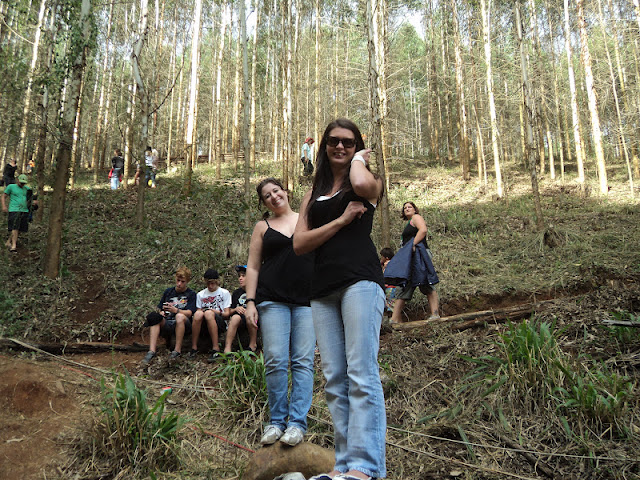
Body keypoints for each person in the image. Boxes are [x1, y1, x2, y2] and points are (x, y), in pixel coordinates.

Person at [293, 118, 386, 480]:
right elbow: (300, 244)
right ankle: (344, 465)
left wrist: (360, 160)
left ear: (357, 147)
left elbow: (361, 184)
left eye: (349, 142)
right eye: (334, 141)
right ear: (324, 146)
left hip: (360, 281)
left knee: (361, 373)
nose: (340, 146)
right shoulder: (314, 192)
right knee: (334, 380)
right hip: (322, 289)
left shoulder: (367, 182)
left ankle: (366, 466)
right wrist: (341, 220)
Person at [245, 177, 315, 447]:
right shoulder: (262, 227)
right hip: (272, 299)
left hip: (307, 300)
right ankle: (276, 422)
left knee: (303, 361)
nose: (274, 197)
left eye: (276, 191)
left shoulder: (307, 220)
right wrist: (250, 302)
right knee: (275, 360)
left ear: (285, 191)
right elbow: (253, 267)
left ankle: (297, 424)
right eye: (267, 196)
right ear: (264, 203)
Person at [389, 201, 440, 324]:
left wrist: (413, 244)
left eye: (409, 207)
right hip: (411, 256)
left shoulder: (416, 217)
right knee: (405, 283)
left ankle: (435, 314)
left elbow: (423, 230)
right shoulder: (409, 223)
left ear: (415, 209)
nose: (407, 209)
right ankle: (394, 319)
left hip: (420, 255)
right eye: (405, 207)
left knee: (426, 281)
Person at [141, 267, 196, 365]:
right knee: (155, 318)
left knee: (179, 316)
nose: (179, 284)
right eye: (178, 280)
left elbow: (190, 313)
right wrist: (162, 312)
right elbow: (160, 307)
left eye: (182, 282)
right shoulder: (168, 292)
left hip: (183, 323)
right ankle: (152, 351)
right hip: (168, 321)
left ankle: (177, 350)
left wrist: (176, 310)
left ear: (187, 281)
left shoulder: (191, 294)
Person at [189, 268, 231, 362]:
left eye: (212, 283)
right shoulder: (200, 294)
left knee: (208, 313)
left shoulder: (224, 293)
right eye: (208, 283)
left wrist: (215, 312)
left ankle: (216, 348)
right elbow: (198, 311)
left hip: (219, 320)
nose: (210, 286)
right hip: (204, 322)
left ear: (217, 282)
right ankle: (194, 347)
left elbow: (227, 314)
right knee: (198, 314)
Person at [223, 264, 258, 354]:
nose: (240, 278)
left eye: (243, 276)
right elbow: (229, 311)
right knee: (235, 318)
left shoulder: (257, 292)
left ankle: (253, 344)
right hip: (239, 319)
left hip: (253, 318)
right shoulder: (236, 293)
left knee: (250, 315)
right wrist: (236, 309)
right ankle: (227, 348)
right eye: (239, 276)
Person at [2, 174, 37, 253]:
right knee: (14, 227)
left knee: (20, 228)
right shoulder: (11, 187)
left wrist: (33, 203)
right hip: (14, 209)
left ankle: (8, 241)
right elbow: (3, 196)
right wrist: (4, 206)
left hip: (24, 210)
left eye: (24, 183)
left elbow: (31, 200)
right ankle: (13, 246)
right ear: (17, 180)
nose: (22, 184)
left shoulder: (27, 189)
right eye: (21, 182)